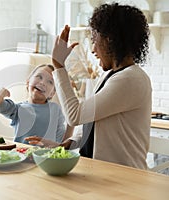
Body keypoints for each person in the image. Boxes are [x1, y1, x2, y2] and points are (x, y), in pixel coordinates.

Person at [26, 3, 152, 169]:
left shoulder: (131, 79)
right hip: (100, 173)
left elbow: (75, 116)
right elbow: (90, 122)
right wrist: (64, 145)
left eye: (94, 40)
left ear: (110, 39)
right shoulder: (111, 76)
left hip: (123, 179)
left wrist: (58, 66)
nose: (93, 49)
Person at [0, 64, 73, 145]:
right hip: (21, 154)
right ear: (28, 82)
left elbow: (62, 142)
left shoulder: (56, 110)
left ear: (52, 93)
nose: (42, 83)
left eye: (50, 82)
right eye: (39, 77)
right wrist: (0, 94)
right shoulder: (18, 108)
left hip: (46, 156)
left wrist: (72, 123)